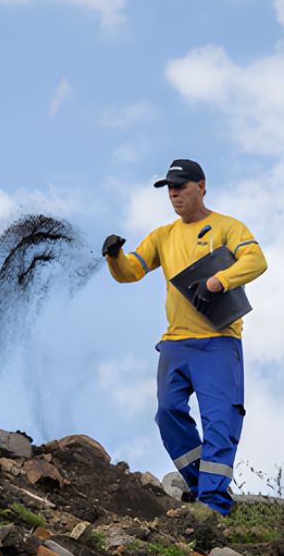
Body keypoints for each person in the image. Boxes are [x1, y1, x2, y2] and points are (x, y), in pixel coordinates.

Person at [103, 158, 267, 515]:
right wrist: (114, 255)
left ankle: (213, 503)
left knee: (219, 419)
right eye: (170, 189)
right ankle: (199, 484)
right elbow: (131, 271)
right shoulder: (164, 235)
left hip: (219, 342)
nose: (174, 194)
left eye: (181, 187)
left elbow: (256, 261)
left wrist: (218, 280)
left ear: (202, 186)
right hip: (176, 344)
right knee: (167, 412)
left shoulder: (227, 226)